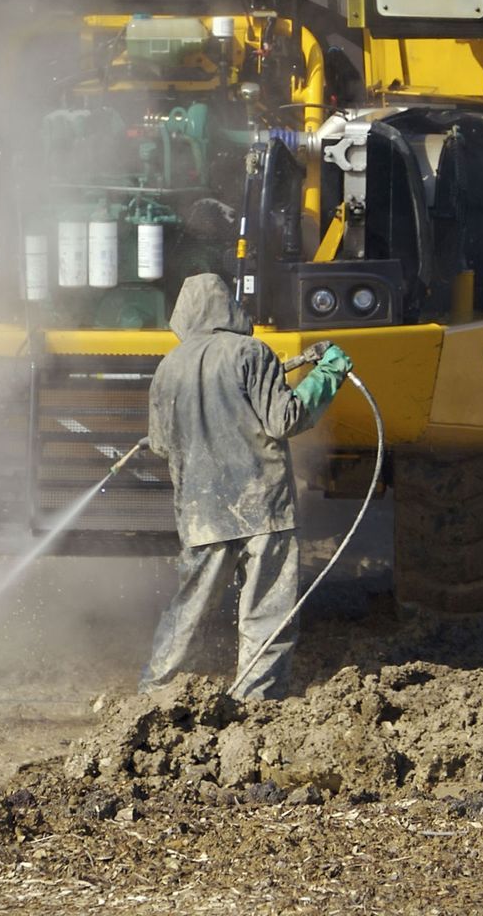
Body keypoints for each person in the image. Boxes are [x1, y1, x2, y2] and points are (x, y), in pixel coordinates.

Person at [140, 273, 351, 700]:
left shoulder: (169, 367)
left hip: (201, 514)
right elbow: (285, 419)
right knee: (266, 614)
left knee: (190, 608)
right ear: (228, 307)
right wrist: (327, 373)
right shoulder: (251, 353)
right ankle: (256, 703)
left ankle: (156, 693)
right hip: (262, 509)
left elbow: (161, 445)